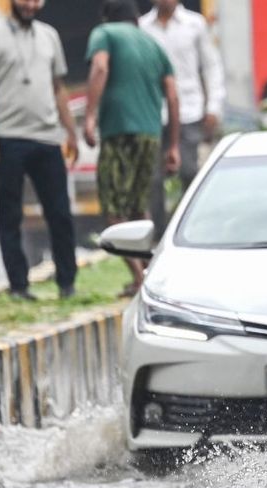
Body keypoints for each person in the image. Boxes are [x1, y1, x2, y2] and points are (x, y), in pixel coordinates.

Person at [0, 0, 79, 300]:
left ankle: (67, 282)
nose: (30, 5)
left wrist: (70, 132)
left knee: (59, 212)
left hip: (47, 137)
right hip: (7, 137)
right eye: (24, 0)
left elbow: (59, 88)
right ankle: (19, 286)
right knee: (9, 215)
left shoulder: (49, 35)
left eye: (36, 0)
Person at [85, 0, 180, 297]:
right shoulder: (153, 45)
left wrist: (89, 116)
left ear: (107, 16)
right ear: (137, 19)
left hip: (118, 131)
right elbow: (173, 96)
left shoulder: (104, 33)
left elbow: (100, 66)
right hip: (150, 135)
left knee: (113, 207)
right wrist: (173, 144)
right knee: (139, 207)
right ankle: (150, 274)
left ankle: (140, 278)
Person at [140, 0, 225, 238]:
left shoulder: (195, 24)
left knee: (189, 171)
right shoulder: (142, 28)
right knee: (153, 180)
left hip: (189, 110)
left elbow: (211, 66)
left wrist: (213, 106)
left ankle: (194, 233)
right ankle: (158, 238)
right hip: (154, 113)